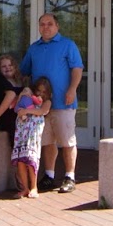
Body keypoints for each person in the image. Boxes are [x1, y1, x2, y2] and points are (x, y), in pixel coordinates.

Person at [19, 11, 84, 193]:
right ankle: (49, 175)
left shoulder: (68, 45)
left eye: (50, 24)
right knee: (47, 141)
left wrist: (72, 89)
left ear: (57, 26)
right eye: (42, 24)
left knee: (67, 140)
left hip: (63, 102)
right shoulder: (34, 48)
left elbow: (77, 69)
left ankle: (69, 176)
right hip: (39, 106)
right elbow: (24, 71)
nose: (46, 27)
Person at [11, 76, 53, 198]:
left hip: (33, 135)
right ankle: (25, 188)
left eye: (44, 91)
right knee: (20, 160)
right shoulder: (29, 98)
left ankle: (34, 187)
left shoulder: (46, 102)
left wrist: (27, 111)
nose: (40, 93)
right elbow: (17, 106)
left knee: (31, 159)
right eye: (38, 90)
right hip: (21, 133)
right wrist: (23, 94)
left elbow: (42, 111)